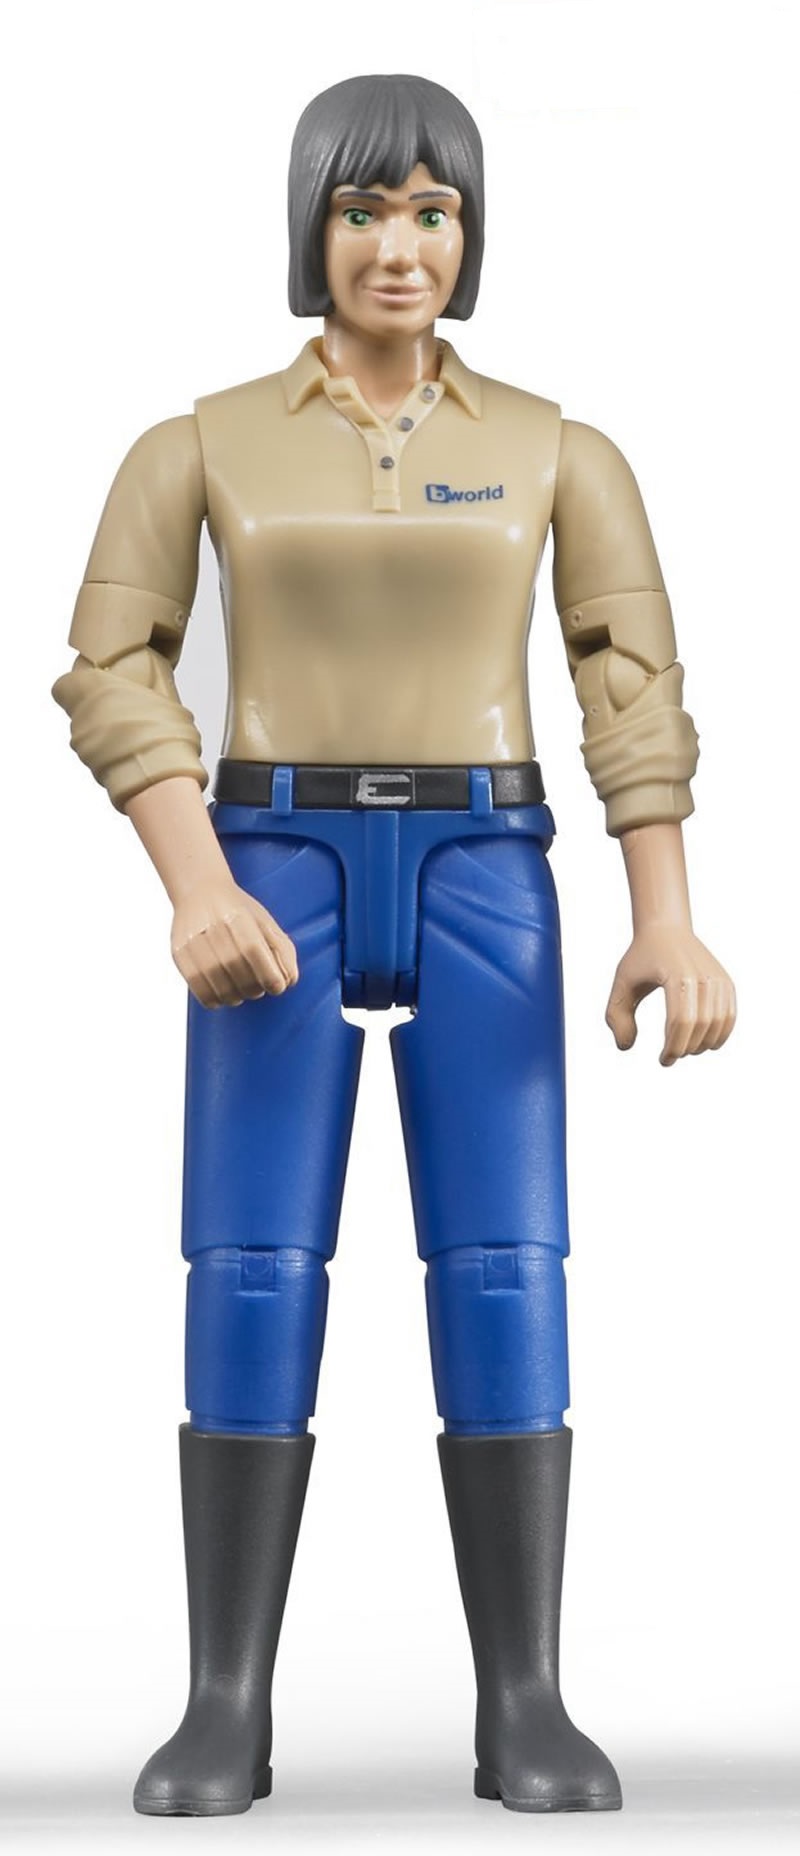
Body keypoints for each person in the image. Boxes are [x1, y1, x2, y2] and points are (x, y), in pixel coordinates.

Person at [53, 72, 736, 1818]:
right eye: (363, 210)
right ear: (311, 225)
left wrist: (664, 914)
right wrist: (192, 880)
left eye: (433, 210)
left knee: (508, 1260)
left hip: (484, 857)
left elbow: (628, 685)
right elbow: (114, 667)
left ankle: (526, 1697)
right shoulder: (201, 442)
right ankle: (224, 1698)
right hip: (272, 850)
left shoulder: (560, 450)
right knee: (249, 1260)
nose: (399, 245)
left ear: (473, 232)